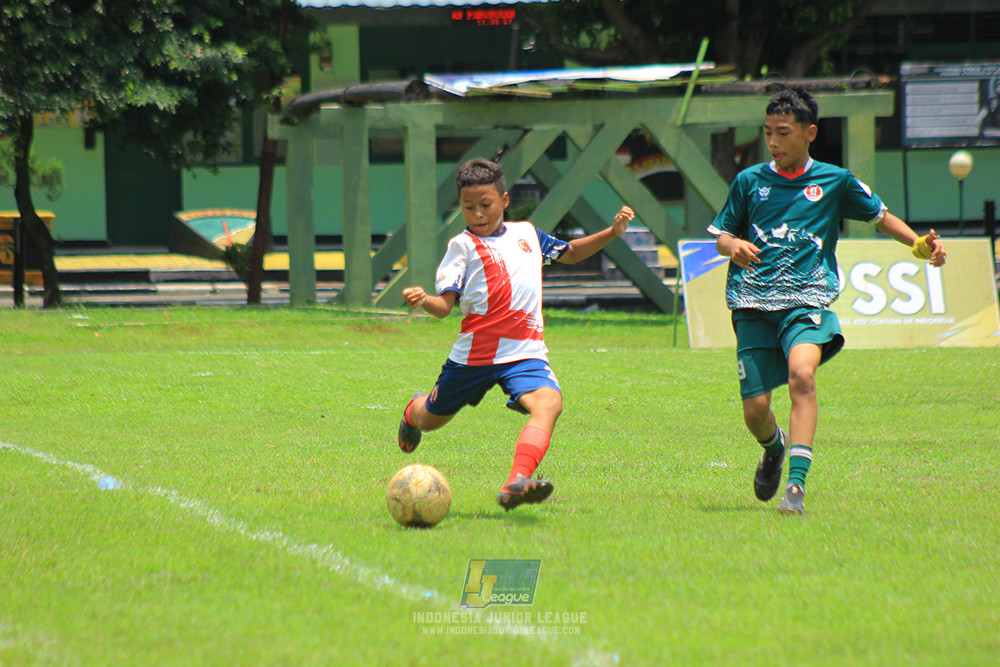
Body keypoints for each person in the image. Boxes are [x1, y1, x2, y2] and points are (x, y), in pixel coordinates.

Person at [708, 87, 946, 516]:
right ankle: (774, 448)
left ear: (810, 133)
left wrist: (918, 244)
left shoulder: (835, 181)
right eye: (767, 132)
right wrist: (733, 246)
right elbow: (723, 235)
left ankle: (795, 488)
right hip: (752, 304)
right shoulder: (749, 182)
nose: (773, 142)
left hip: (807, 301)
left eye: (783, 133)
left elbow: (880, 216)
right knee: (755, 411)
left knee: (803, 376)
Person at [397, 157, 635, 512]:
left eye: (486, 204)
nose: (478, 214)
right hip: (474, 357)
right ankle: (411, 412)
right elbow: (445, 307)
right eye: (468, 207)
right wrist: (423, 300)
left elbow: (570, 253)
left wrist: (612, 232)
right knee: (430, 420)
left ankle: (517, 481)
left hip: (525, 352)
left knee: (549, 404)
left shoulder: (527, 234)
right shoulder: (461, 246)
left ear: (505, 200)